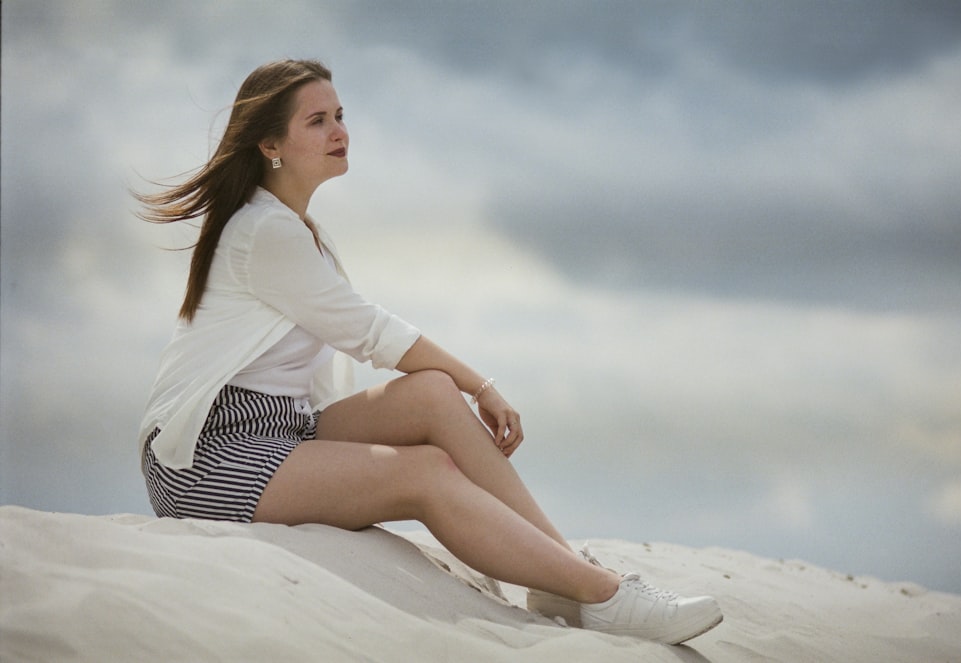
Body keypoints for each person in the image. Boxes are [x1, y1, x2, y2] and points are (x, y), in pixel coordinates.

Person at [134, 58, 722, 646]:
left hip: (282, 428)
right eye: (317, 121)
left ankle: (564, 574)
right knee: (424, 473)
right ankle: (604, 594)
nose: (339, 131)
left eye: (340, 115)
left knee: (432, 394)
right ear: (270, 144)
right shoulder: (265, 231)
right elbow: (372, 333)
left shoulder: (297, 228)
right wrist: (483, 386)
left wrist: (462, 387)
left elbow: (374, 342)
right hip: (209, 460)